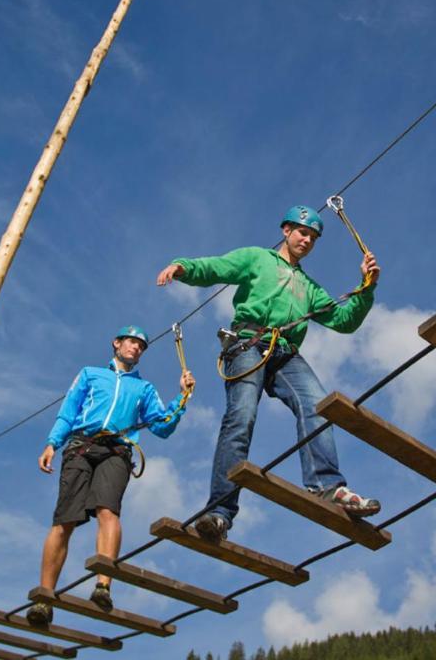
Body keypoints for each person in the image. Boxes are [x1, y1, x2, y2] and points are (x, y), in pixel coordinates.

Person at [155, 205, 381, 541]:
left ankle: (327, 485)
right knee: (241, 416)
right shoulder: (257, 258)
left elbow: (344, 321)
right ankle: (219, 513)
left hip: (287, 352)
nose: (307, 240)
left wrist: (367, 287)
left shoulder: (309, 287)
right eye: (302, 232)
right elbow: (217, 268)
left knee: (318, 405)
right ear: (286, 231)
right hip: (250, 343)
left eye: (313, 237)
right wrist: (183, 267)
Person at [26, 325, 194, 626]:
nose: (137, 348)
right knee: (64, 521)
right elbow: (68, 410)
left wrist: (181, 399)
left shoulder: (144, 389)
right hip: (81, 446)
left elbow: (162, 426)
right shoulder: (90, 374)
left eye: (141, 346)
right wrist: (52, 443)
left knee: (108, 511)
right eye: (132, 342)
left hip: (117, 451)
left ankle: (103, 585)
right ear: (117, 343)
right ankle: (43, 599)